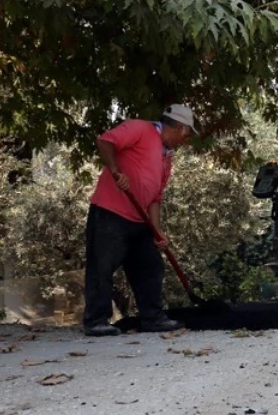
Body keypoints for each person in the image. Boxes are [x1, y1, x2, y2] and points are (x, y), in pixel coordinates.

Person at [82, 105, 196, 336]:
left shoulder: (167, 156)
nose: (186, 140)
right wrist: (116, 171)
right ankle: (96, 321)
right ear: (179, 127)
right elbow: (105, 141)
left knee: (150, 266)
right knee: (102, 267)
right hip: (110, 213)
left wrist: (157, 231)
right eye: (187, 134)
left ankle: (152, 318)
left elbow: (156, 196)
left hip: (139, 219)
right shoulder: (140, 128)